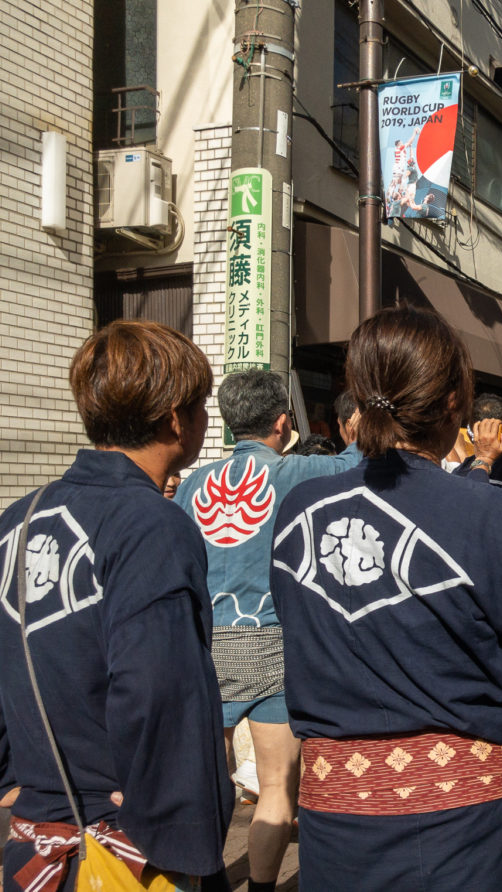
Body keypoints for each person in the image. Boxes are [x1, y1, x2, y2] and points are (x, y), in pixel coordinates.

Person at [270, 306, 502, 891]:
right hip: (465, 826)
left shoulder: (300, 510)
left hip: (337, 825)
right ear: (455, 403)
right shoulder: (489, 512)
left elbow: (298, 624)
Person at [0, 321, 233, 890]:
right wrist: (172, 820)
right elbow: (160, 689)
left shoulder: (17, 520)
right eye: (201, 406)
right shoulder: (151, 523)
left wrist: (5, 780)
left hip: (35, 841)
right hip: (123, 845)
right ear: (175, 418)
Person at [174, 369, 361, 892]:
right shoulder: (297, 472)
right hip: (273, 644)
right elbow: (358, 461)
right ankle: (261, 887)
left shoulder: (191, 485)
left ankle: (209, 879)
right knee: (277, 785)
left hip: (206, 646)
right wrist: (355, 426)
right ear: (283, 423)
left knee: (207, 781)